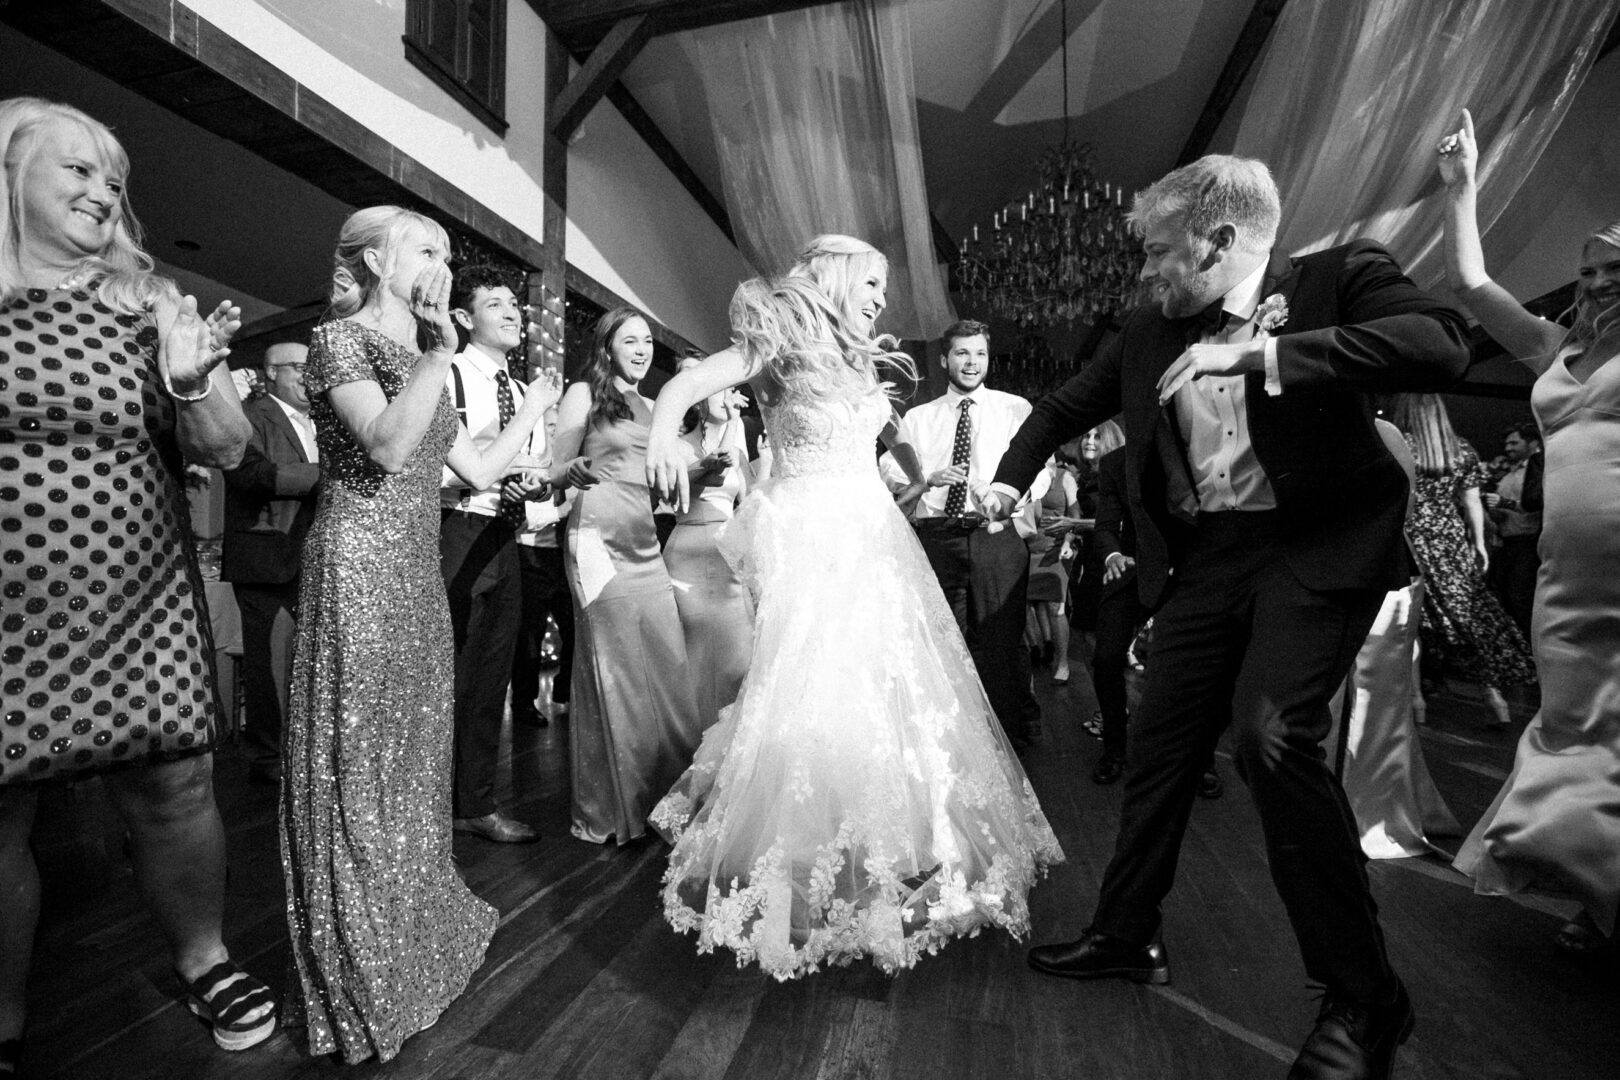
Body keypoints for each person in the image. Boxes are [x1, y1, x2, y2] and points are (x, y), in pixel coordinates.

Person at [986, 155, 1471, 1080]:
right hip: (1208, 562)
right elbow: (1059, 407)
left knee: (1272, 737)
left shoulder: (1336, 277)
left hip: (1315, 550)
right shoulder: (1143, 330)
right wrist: (1006, 484)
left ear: (1217, 242)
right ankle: (1126, 933)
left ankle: (1366, 1001)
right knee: (1159, 745)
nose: (1146, 273)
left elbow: (1441, 342)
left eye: (1160, 254)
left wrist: (1263, 353)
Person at [644, 235, 1063, 980]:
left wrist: (912, 476)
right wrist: (663, 437)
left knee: (888, 686)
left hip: (874, 534)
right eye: (871, 282)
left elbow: (892, 438)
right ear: (834, 274)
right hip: (805, 535)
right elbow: (685, 386)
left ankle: (892, 851)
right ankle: (808, 858)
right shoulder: (775, 338)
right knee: (810, 684)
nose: (879, 297)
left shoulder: (860, 360)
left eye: (883, 286)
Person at [0, 97, 273, 1068]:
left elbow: (230, 449)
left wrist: (193, 380)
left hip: (138, 600)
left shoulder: (153, 305)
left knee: (174, 787)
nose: (100, 188)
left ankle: (204, 959)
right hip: (6, 611)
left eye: (112, 177)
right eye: (74, 168)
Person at [281, 206, 559, 1064]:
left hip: (414, 569)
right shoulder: (341, 342)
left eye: (446, 251)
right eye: (427, 250)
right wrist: (442, 350)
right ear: (373, 259)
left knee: (412, 747)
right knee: (358, 755)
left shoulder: (421, 356)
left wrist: (537, 413)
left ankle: (406, 925)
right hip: (359, 560)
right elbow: (390, 450)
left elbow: (471, 470)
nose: (443, 265)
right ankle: (356, 962)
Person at [1436, 108, 1620, 954]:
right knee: (1572, 728)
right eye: (1587, 272)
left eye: (1613, 271)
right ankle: (1592, 882)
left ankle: (1598, 902)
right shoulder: (1552, 351)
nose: (1595, 283)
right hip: (1562, 575)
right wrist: (1464, 188)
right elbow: (1472, 285)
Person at [547, 307, 704, 845]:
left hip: (643, 539)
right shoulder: (584, 395)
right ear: (607, 346)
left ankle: (666, 800)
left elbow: (657, 487)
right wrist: (569, 473)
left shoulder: (658, 406)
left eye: (647, 342)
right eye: (629, 340)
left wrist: (699, 473)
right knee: (611, 670)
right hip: (593, 539)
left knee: (666, 664)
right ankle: (611, 810)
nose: (641, 350)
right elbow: (552, 471)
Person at [877, 317, 1043, 747]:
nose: (972, 362)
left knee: (1002, 642)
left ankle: (1005, 740)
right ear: (945, 359)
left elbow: (1041, 470)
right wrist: (927, 477)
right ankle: (950, 739)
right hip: (937, 538)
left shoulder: (1015, 409)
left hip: (995, 535)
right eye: (963, 353)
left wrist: (1007, 494)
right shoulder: (919, 416)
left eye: (980, 353)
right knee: (941, 641)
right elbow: (889, 467)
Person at [439, 265, 547, 843]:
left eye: (515, 305)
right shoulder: (447, 375)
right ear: (463, 317)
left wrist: (538, 484)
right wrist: (489, 478)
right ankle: (429, 807)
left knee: (490, 678)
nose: (513, 313)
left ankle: (475, 803)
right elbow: (431, 465)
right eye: (496, 304)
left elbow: (534, 466)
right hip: (453, 529)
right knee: (447, 675)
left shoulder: (526, 389)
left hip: (508, 536)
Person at [1325, 419, 1460, 859]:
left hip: (1380, 578)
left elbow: (1402, 508)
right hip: (1339, 576)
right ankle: (1333, 806)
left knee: (1376, 700)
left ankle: (1367, 812)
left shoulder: (1383, 433)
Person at [1388, 393, 1535, 728]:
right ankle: (1495, 699)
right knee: (1470, 619)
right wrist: (1480, 544)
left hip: (1409, 541)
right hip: (1451, 542)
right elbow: (1471, 504)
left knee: (1411, 627)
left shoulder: (1400, 445)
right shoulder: (1461, 450)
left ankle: (1416, 703)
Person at [221, 341, 319, 787]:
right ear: (272, 371)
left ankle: (307, 751)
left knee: (311, 665)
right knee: (272, 666)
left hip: (318, 557)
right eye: (299, 367)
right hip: (267, 557)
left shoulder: (323, 419)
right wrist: (331, 475)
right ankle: (270, 758)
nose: (307, 375)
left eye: (311, 366)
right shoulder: (248, 413)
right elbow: (250, 475)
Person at [663, 355, 754, 732]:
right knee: (697, 655)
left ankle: (729, 749)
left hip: (730, 550)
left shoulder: (739, 441)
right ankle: (695, 742)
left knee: (740, 654)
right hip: (690, 549)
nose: (724, 394)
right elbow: (713, 478)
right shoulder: (679, 445)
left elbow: (747, 498)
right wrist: (734, 422)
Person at [507, 406, 574, 727]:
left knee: (574, 629)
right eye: (548, 424)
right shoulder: (527, 462)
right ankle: (523, 703)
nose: (553, 430)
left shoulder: (566, 464)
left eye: (558, 425)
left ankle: (565, 690)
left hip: (562, 557)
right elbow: (528, 521)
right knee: (529, 638)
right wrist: (566, 509)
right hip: (529, 556)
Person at [1024, 454, 1080, 684]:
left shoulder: (1065, 477)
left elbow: (1075, 515)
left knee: (1056, 606)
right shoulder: (1028, 474)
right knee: (1025, 603)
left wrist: (1068, 542)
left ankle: (1063, 662)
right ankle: (1034, 649)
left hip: (1055, 549)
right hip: (1028, 547)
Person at [1485, 421, 1542, 638]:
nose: (1508, 448)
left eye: (1514, 443)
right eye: (1506, 444)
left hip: (1528, 542)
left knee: (1520, 597)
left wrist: (1504, 503)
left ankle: (1529, 648)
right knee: (1504, 597)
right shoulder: (1507, 474)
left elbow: (1536, 505)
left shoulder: (1538, 472)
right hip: (1507, 542)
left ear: (1532, 442)